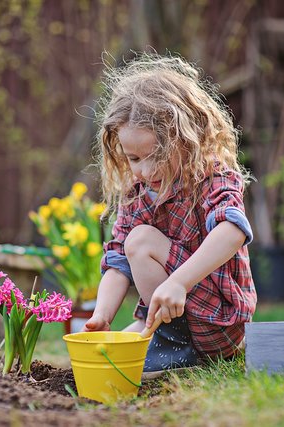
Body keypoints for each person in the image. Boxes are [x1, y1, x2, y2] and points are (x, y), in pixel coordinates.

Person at [83, 53, 257, 377]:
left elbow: (232, 230)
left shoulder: (212, 177)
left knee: (141, 240)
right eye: (134, 158)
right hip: (176, 315)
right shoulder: (137, 192)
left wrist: (178, 282)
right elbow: (118, 259)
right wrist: (102, 314)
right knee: (108, 356)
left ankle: (174, 348)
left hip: (219, 321)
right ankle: (165, 338)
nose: (145, 170)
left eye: (156, 155)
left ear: (186, 139)